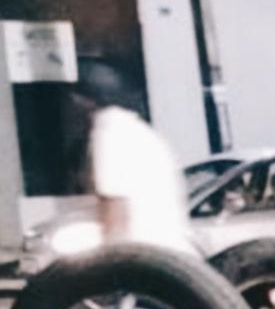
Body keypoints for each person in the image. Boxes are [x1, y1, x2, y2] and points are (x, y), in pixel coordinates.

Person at [65, 62, 190, 255]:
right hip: (171, 254)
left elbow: (115, 206)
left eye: (74, 96)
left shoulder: (109, 132)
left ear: (86, 99)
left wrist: (111, 263)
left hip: (144, 256)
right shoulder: (139, 130)